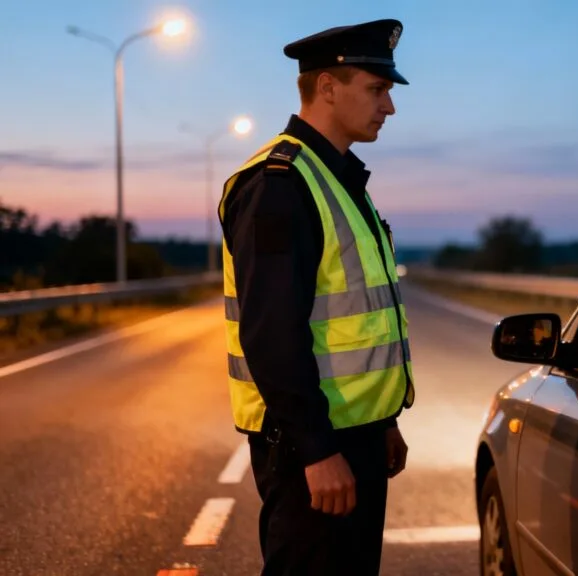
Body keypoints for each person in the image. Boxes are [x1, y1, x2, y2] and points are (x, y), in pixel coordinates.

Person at [217, 19, 415, 575]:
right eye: (378, 90)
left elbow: (354, 322)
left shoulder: (338, 178)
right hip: (315, 449)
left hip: (353, 438)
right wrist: (317, 449)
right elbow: (272, 334)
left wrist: (383, 423)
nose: (390, 107)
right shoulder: (279, 185)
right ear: (327, 87)